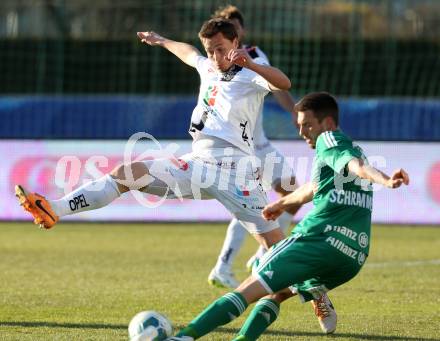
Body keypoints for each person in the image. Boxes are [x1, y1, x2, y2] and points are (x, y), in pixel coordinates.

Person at [15, 19, 290, 278]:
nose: (215, 57)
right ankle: (55, 209)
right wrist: (161, 40)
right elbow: (188, 52)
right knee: (127, 174)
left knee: (276, 248)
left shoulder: (249, 73)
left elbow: (283, 82)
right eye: (211, 50)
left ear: (235, 42)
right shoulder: (207, 67)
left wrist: (252, 65)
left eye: (220, 49)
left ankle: (315, 292)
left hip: (236, 173)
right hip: (198, 164)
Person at [163, 92, 410, 341]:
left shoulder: (329, 139)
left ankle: (183, 337)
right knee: (277, 292)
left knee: (252, 280)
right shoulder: (349, 147)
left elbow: (356, 166)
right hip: (352, 256)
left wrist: (386, 180)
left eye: (307, 124)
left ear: (328, 124)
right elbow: (315, 187)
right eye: (299, 125)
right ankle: (311, 292)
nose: (302, 132)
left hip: (319, 240)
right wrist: (281, 204)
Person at [207, 4, 301, 290]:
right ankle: (226, 264)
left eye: (234, 27)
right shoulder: (214, 61)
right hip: (240, 148)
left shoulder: (255, 56)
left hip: (260, 144)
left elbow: (278, 87)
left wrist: (295, 112)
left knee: (292, 194)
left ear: (241, 32)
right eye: (225, 26)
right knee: (248, 202)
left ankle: (260, 253)